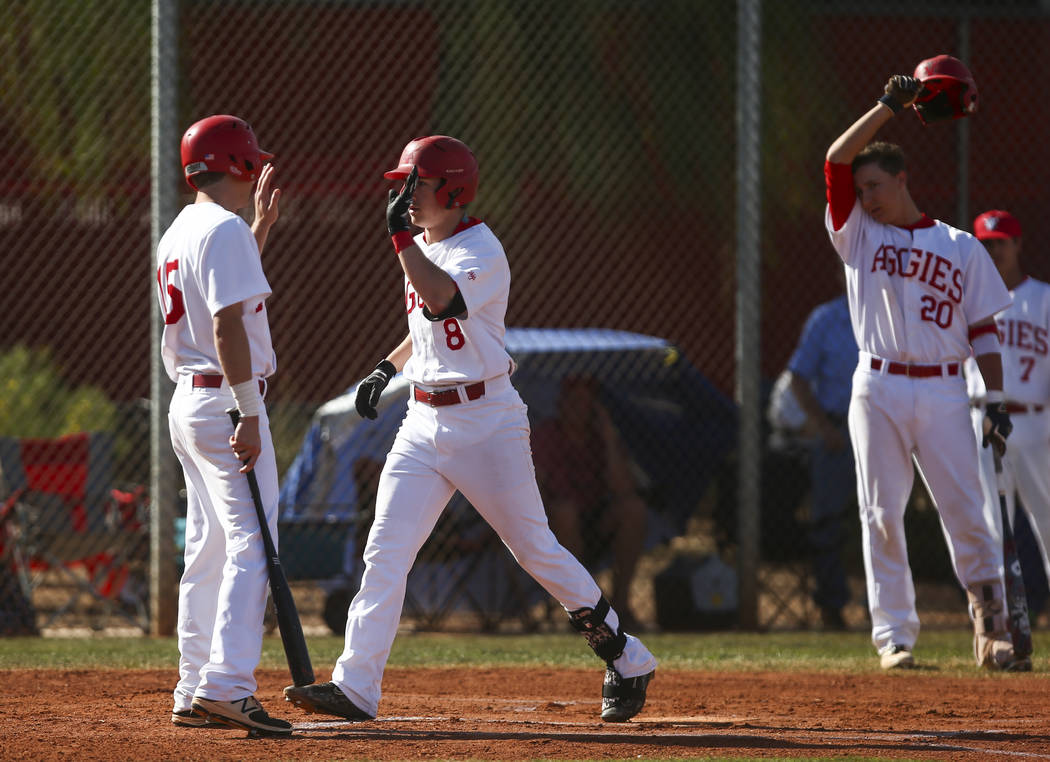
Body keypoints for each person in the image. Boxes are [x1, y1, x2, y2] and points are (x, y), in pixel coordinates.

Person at [283, 135, 656, 723]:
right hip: (423, 419)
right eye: (403, 185)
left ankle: (625, 655)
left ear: (454, 189)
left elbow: (442, 303)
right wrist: (388, 367)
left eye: (418, 184)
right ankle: (355, 687)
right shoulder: (425, 244)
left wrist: (401, 241)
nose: (406, 196)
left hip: (487, 424)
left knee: (534, 547)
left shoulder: (480, 247)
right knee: (385, 549)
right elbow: (423, 328)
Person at [824, 74, 1017, 670]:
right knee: (880, 512)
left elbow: (984, 327)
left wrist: (998, 398)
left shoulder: (959, 245)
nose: (868, 197)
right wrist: (887, 105)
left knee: (964, 507)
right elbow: (836, 158)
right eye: (861, 190)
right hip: (877, 383)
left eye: (876, 186)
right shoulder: (858, 235)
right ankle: (895, 637)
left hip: (943, 387)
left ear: (903, 178)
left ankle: (991, 626)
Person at [156, 115, 292, 734]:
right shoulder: (224, 230)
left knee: (207, 547)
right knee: (253, 545)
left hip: (188, 400)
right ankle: (228, 684)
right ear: (234, 165)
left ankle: (193, 683)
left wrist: (259, 230)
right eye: (250, 162)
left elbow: (222, 298)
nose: (256, 171)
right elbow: (228, 325)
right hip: (225, 400)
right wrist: (249, 411)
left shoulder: (182, 227)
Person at [965, 210, 1050, 594]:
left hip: (1035, 421)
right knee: (989, 526)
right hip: (981, 418)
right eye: (986, 243)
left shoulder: (1044, 298)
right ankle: (998, 620)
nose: (994, 249)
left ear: (1018, 244)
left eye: (1001, 241)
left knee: (1048, 521)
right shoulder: (966, 299)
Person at [531, 374, 648, 630]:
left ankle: (620, 605)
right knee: (566, 512)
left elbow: (624, 489)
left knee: (634, 510)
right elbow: (534, 488)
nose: (578, 408)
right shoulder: (548, 434)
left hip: (597, 520)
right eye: (572, 401)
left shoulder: (601, 437)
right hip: (558, 527)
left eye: (585, 402)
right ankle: (583, 608)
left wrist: (608, 437)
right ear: (561, 403)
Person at [783, 275, 858, 631]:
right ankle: (833, 608)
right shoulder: (826, 319)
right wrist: (823, 428)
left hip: (887, 430)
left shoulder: (894, 314)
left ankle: (891, 610)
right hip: (838, 435)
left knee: (885, 520)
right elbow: (798, 378)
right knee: (827, 522)